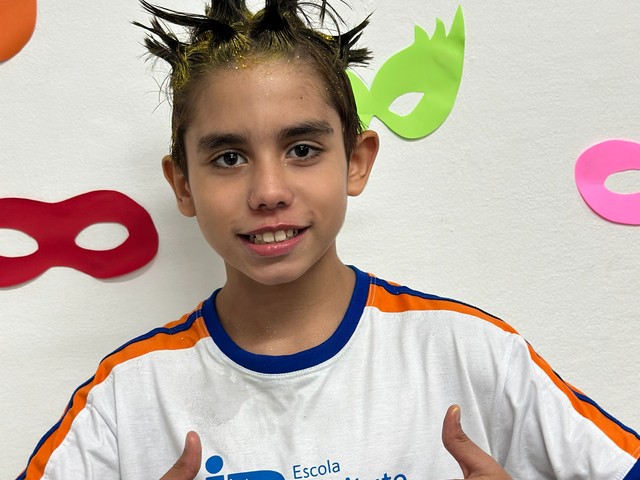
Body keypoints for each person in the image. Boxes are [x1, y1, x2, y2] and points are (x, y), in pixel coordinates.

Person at [18, 0, 640, 478]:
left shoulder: (471, 355)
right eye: (229, 157)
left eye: (302, 149)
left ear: (357, 162)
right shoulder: (126, 398)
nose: (268, 191)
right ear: (183, 183)